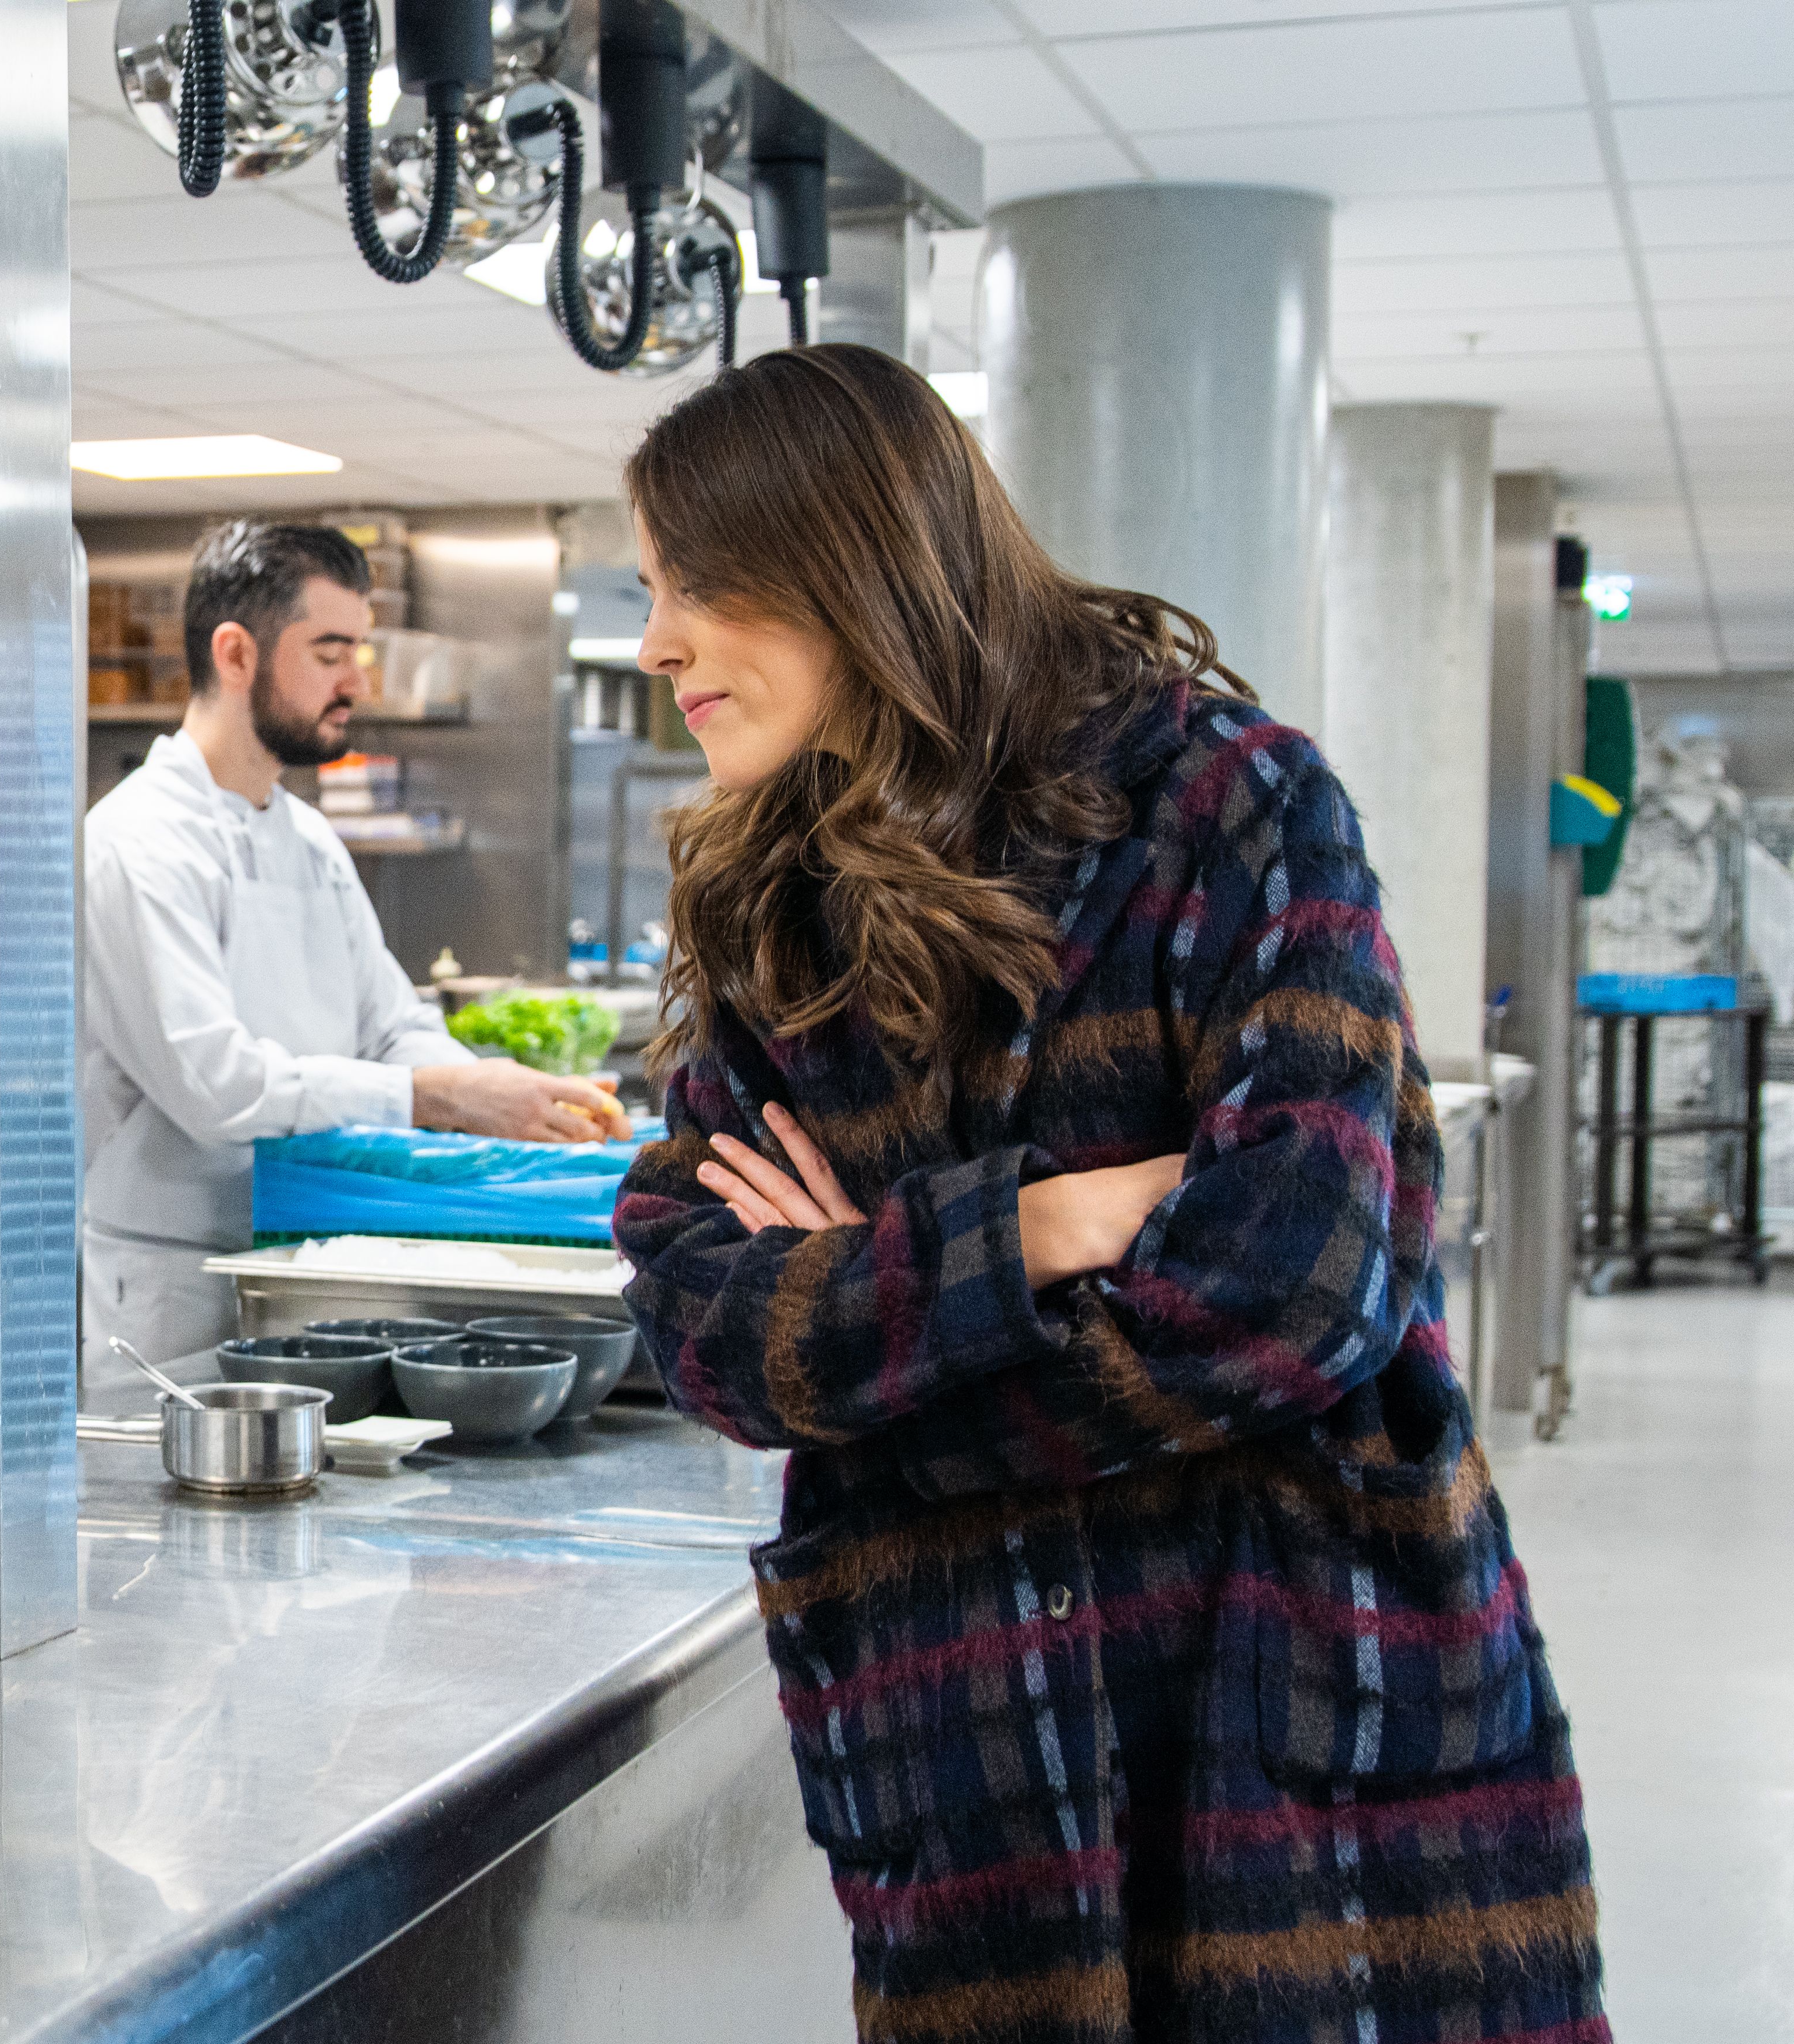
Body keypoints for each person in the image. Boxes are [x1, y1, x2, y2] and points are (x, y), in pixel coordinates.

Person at [607, 347, 1603, 2035]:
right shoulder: (773, 901)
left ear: (856, 555)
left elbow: (1294, 1296)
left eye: (695, 585)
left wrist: (883, 1362)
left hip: (1305, 1738)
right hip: (977, 1768)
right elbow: (698, 1324)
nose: (658, 645)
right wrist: (1038, 1233)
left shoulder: (1234, 807)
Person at [83, 520, 627, 1367]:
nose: (357, 680)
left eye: (359, 651)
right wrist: (437, 1098)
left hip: (311, 1258)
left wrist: (491, 1094)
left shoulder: (307, 838)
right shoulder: (136, 842)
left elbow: (390, 1024)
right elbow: (215, 1090)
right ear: (236, 655)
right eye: (331, 652)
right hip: (172, 1282)